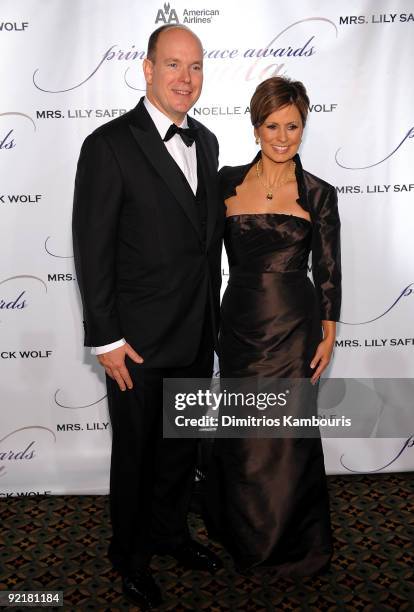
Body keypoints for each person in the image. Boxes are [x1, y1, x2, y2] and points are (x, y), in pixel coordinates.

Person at [72, 24, 224, 609]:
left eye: (196, 67)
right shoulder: (108, 144)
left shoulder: (206, 141)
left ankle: (169, 534)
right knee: (136, 454)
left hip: (194, 333)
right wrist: (105, 337)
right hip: (134, 342)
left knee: (179, 452)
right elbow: (92, 246)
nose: (185, 79)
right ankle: (129, 556)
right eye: (173, 66)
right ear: (147, 68)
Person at [204, 76, 341, 576]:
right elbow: (199, 257)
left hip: (295, 327)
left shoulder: (319, 193)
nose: (282, 137)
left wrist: (329, 331)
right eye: (272, 125)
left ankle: (294, 544)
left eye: (293, 126)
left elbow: (328, 268)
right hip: (239, 321)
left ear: (304, 126)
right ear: (255, 125)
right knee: (244, 435)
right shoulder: (225, 182)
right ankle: (242, 534)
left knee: (287, 436)